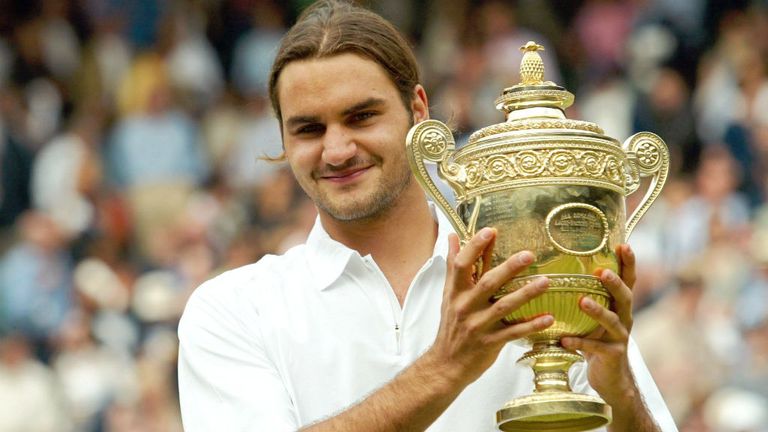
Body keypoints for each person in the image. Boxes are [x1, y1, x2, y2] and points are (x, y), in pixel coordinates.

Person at [177, 1, 677, 431]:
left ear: (418, 111)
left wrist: (620, 392)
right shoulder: (233, 310)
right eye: (309, 129)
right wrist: (445, 368)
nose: (336, 150)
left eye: (361, 116)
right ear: (283, 140)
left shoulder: (535, 269)